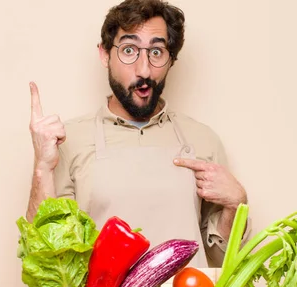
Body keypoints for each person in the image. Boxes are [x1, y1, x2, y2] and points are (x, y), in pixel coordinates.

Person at [25, 0, 250, 268]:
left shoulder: (203, 140)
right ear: (104, 54)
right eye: (129, 50)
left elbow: (221, 258)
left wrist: (237, 203)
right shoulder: (68, 140)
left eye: (156, 52)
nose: (144, 70)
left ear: (171, 60)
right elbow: (44, 257)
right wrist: (42, 168)